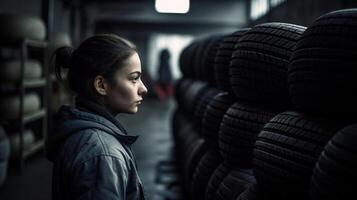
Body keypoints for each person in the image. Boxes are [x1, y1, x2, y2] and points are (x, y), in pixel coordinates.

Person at [45, 34, 148, 200]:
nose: (144, 88)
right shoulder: (103, 154)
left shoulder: (80, 133)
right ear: (101, 85)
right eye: (134, 79)